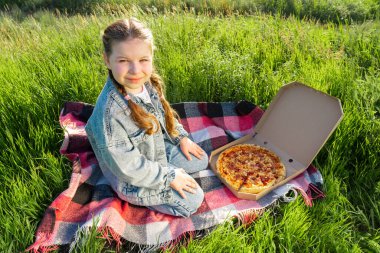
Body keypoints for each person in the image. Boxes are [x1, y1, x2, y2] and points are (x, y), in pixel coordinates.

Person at [85, 17, 209, 218]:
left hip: (155, 147)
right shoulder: (110, 115)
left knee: (201, 159)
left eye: (143, 60)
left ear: (151, 57)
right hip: (132, 177)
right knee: (194, 200)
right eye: (123, 61)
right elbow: (128, 166)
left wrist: (180, 138)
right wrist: (168, 176)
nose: (135, 70)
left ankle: (169, 172)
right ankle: (158, 186)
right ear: (107, 60)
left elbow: (163, 115)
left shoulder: (147, 84)